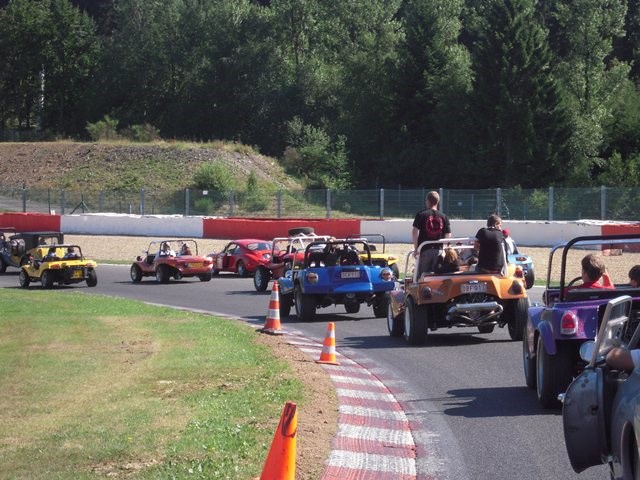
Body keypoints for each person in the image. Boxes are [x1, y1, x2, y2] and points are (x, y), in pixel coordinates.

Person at [412, 190, 451, 275]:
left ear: (428, 201)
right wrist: (444, 249)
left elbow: (415, 231)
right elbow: (448, 234)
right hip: (438, 250)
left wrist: (416, 249)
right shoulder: (444, 216)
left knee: (422, 276)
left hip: (424, 249)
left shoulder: (421, 214)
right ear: (438, 201)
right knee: (436, 276)